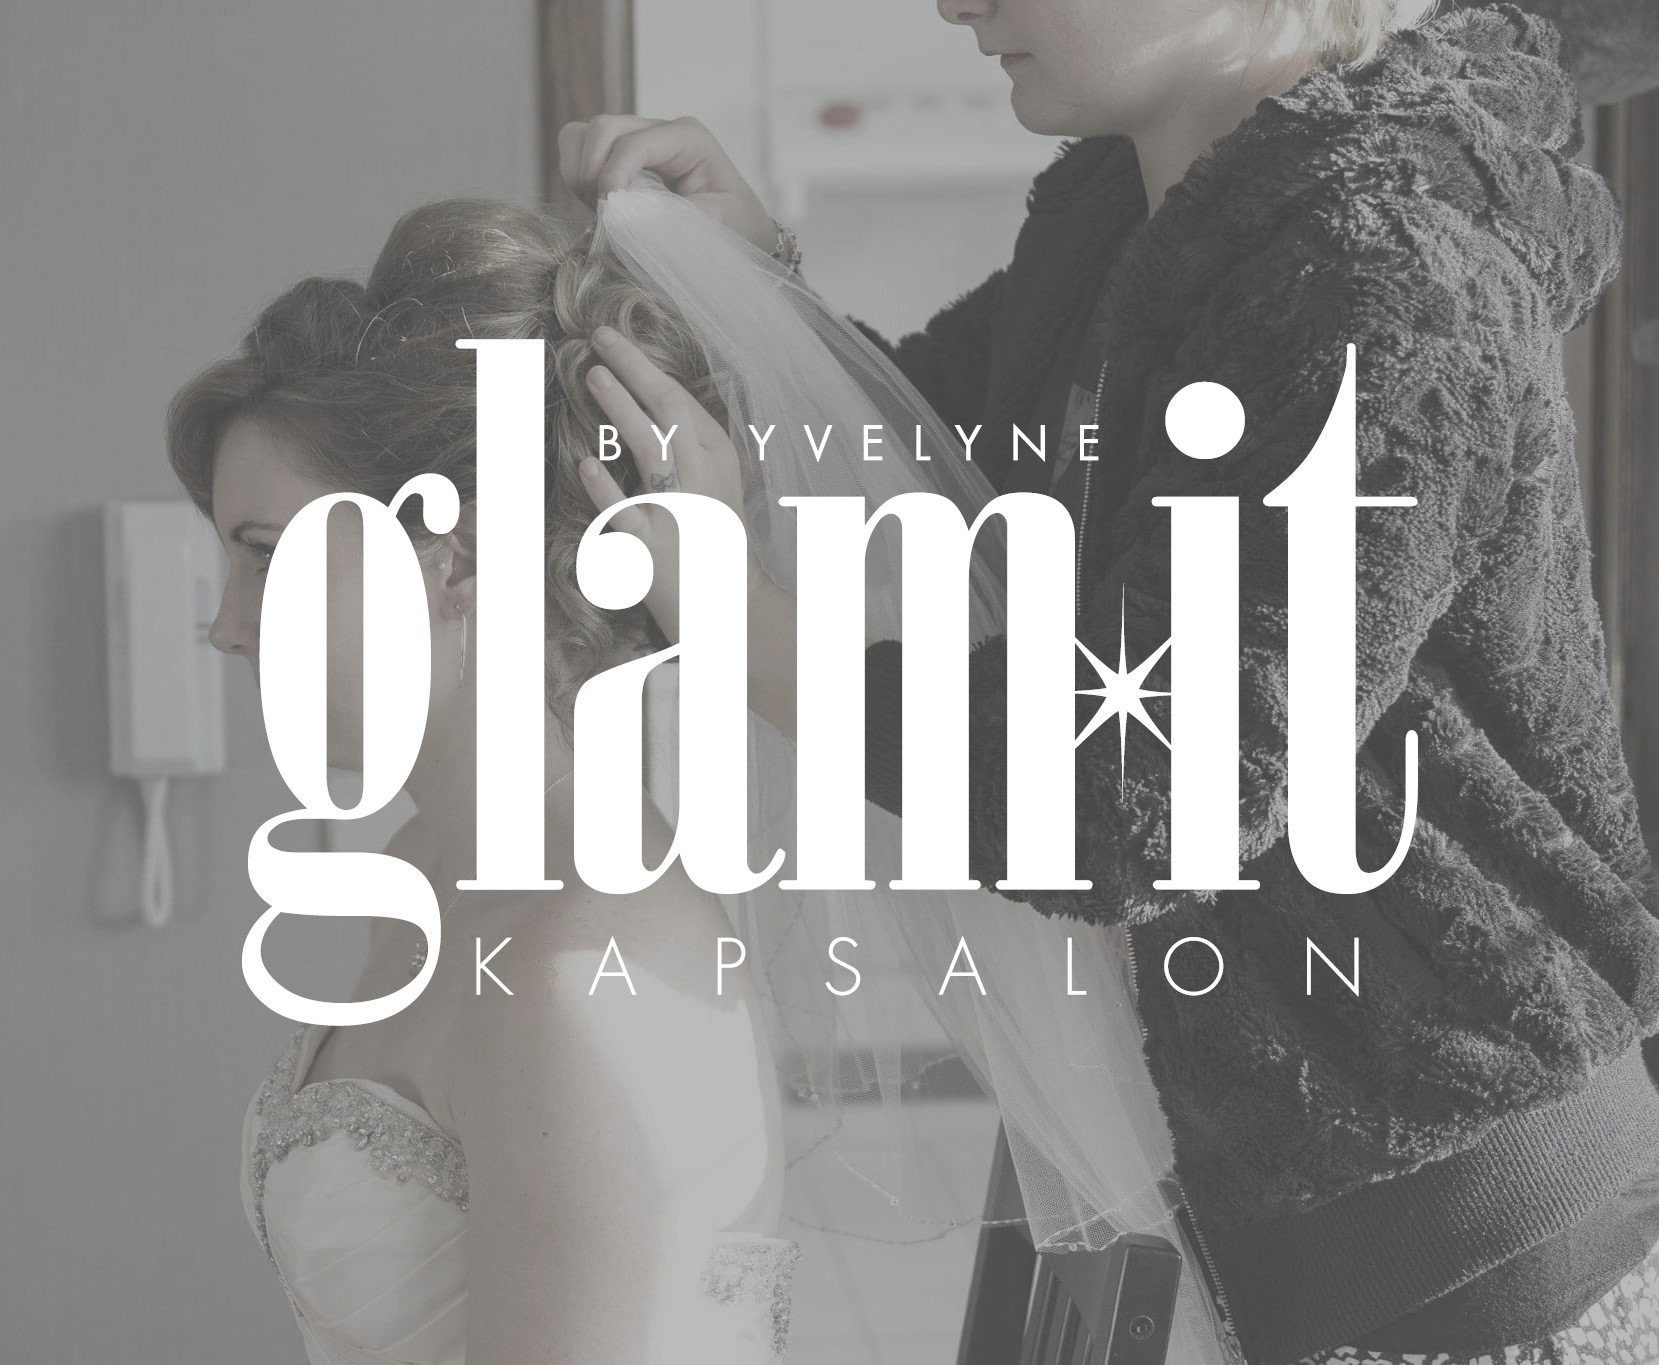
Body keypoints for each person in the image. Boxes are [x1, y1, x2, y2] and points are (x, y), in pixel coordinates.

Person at [561, 2, 1659, 1361]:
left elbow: (1149, 791)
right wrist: (752, 284)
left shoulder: (1382, 272)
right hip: (1263, 1200)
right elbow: (943, 488)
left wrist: (743, 627)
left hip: (1459, 1250)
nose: (952, 1)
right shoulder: (1140, 218)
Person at [167, 199, 797, 1364]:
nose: (225, 626)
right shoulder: (431, 860)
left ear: (454, 558)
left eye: (264, 558)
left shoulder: (576, 972)